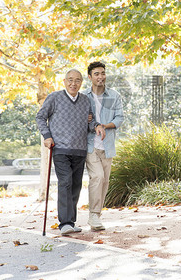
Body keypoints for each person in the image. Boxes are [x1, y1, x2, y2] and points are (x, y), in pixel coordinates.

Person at [36, 69, 105, 236]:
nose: (73, 83)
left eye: (77, 80)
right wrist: (47, 136)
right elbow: (40, 117)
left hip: (79, 149)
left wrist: (96, 126)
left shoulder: (85, 100)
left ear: (81, 82)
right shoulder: (54, 97)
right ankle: (64, 223)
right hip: (60, 148)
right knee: (65, 182)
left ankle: (71, 222)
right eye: (70, 80)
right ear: (64, 81)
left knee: (75, 185)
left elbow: (89, 122)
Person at [83, 61, 124, 231]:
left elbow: (119, 118)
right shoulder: (83, 97)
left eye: (103, 73)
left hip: (107, 146)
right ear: (90, 77)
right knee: (97, 177)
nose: (101, 77)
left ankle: (97, 216)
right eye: (97, 74)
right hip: (90, 145)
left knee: (105, 181)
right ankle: (93, 215)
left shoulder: (114, 96)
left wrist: (105, 126)